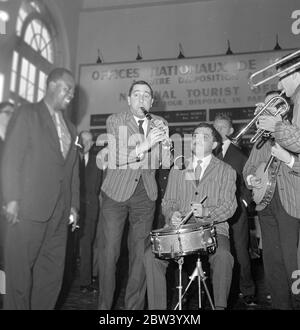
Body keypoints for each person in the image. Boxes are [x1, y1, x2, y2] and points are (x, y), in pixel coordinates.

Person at [1, 68, 80, 310]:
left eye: (73, 92)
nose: (71, 96)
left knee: (50, 278)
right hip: (27, 210)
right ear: (53, 85)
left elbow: (72, 170)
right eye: (68, 89)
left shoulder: (71, 128)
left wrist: (74, 205)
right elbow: (12, 157)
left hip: (58, 214)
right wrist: (12, 199)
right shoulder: (27, 113)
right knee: (19, 279)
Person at [144, 123, 237, 310]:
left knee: (224, 257)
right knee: (150, 256)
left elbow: (230, 206)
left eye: (204, 136)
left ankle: (220, 307)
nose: (197, 139)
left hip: (213, 229)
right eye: (195, 135)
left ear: (215, 145)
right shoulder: (178, 169)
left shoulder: (227, 171)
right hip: (181, 229)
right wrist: (172, 214)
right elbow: (167, 202)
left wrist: (207, 212)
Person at [97, 80, 171, 310]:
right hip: (115, 193)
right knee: (109, 255)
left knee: (140, 257)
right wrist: (147, 143)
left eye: (146, 95)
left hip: (145, 195)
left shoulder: (160, 122)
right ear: (128, 100)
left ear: (152, 101)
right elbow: (117, 156)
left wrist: (166, 148)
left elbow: (163, 162)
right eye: (136, 95)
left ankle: (134, 310)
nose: (141, 99)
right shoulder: (115, 120)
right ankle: (104, 309)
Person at [243, 78, 300, 309]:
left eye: (271, 106)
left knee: (292, 262)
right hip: (265, 204)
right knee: (272, 263)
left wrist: (287, 159)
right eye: (263, 108)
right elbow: (248, 166)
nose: (265, 111)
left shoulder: (293, 130)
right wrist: (250, 178)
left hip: (290, 202)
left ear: (282, 107)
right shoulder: (262, 138)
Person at [213, 114, 256, 306]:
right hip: (214, 211)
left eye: (222, 127)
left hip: (236, 211)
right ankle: (221, 291)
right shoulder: (208, 153)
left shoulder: (240, 155)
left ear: (230, 131)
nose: (218, 130)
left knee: (240, 250)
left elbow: (250, 182)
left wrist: (244, 204)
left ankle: (248, 290)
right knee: (218, 252)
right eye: (215, 127)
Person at [78, 130, 103, 293]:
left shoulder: (98, 162)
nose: (86, 144)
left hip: (90, 210)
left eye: (89, 141)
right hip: (71, 209)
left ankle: (85, 282)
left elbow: (99, 188)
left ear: (93, 144)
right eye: (83, 141)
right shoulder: (70, 160)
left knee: (86, 245)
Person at [0, 102, 14, 301]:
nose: (11, 116)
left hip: (8, 207)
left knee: (5, 256)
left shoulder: (12, 141)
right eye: (7, 113)